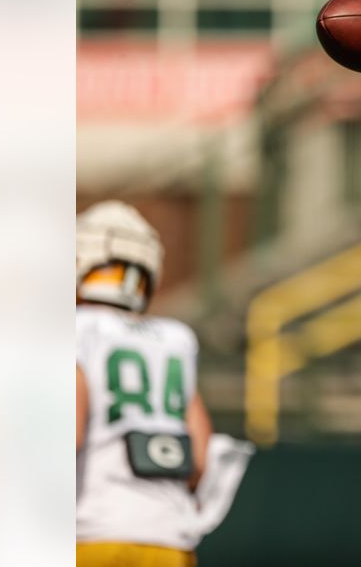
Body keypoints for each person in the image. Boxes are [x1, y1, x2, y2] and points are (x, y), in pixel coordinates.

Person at [76, 200, 214, 567]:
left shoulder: (76, 331)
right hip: (169, 541)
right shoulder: (176, 340)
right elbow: (199, 461)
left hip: (91, 535)